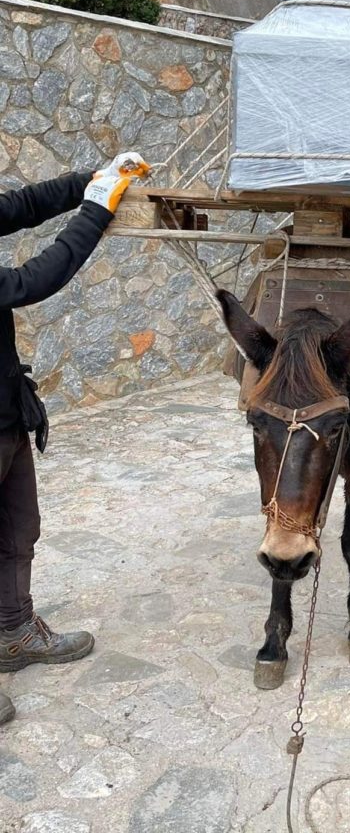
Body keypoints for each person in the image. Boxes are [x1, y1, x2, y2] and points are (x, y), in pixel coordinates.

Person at [0, 152, 149, 726]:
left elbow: (20, 207)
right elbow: (31, 280)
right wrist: (96, 208)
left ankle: (13, 632)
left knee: (18, 528)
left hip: (6, 410)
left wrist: (92, 177)